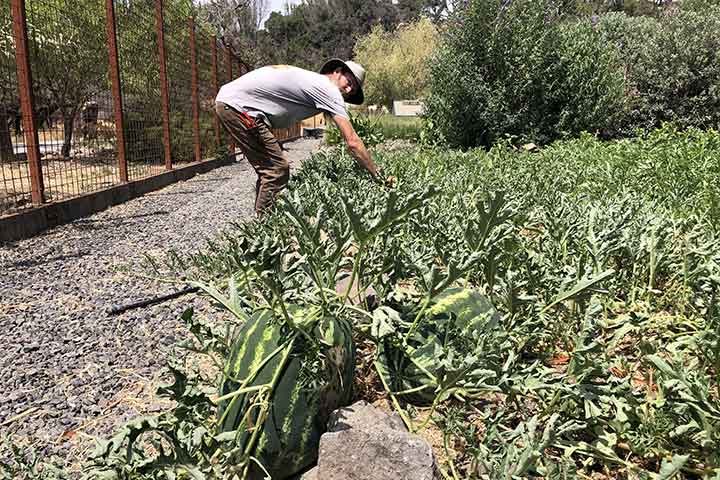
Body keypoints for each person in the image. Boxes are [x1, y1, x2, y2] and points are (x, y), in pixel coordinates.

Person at [215, 59, 384, 214]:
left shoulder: (315, 82)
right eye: (349, 83)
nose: (347, 90)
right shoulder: (329, 90)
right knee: (276, 171)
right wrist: (377, 175)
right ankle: (263, 231)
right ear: (338, 71)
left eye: (352, 91)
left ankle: (264, 223)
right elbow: (353, 142)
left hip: (233, 103)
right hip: (239, 108)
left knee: (269, 170)